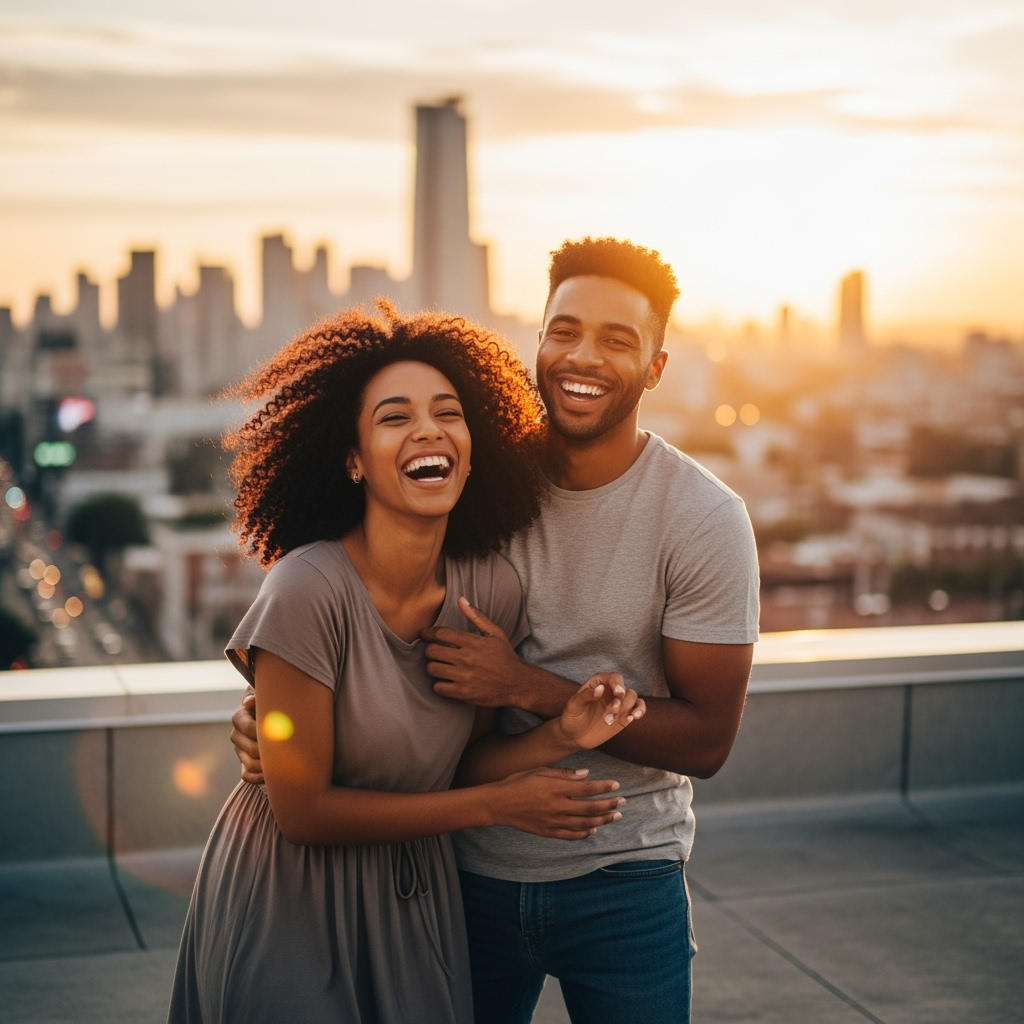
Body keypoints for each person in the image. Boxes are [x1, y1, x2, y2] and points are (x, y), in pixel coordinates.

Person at [232, 239, 759, 1024]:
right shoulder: (464, 479)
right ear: (537, 341)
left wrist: (527, 688)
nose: (583, 356)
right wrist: (279, 723)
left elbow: (706, 742)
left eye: (618, 340)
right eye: (564, 329)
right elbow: (350, 603)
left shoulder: (703, 518)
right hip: (459, 874)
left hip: (625, 876)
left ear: (654, 365)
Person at [169, 306, 647, 1024]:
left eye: (446, 413)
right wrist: (498, 808)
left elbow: (461, 762)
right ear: (353, 458)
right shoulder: (307, 589)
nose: (427, 430)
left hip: (416, 898)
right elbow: (303, 812)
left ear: (473, 446)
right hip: (288, 896)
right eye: (395, 418)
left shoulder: (490, 590)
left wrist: (564, 732)